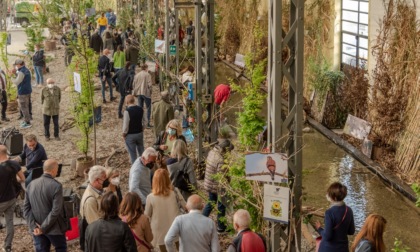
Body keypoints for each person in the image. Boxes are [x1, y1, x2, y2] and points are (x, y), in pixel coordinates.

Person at [23, 159, 67, 252]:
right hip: (54, 228)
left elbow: (26, 209)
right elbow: (56, 210)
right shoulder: (56, 186)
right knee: (61, 248)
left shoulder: (31, 185)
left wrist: (34, 227)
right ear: (53, 170)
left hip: (37, 228)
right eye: (57, 169)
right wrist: (43, 228)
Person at [145, 169, 187, 252]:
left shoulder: (150, 197)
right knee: (179, 247)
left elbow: (147, 215)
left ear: (154, 181)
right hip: (175, 226)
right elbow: (185, 206)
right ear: (168, 179)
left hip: (159, 230)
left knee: (163, 248)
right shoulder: (175, 192)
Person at [203, 138, 234, 233]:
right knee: (221, 205)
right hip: (217, 186)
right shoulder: (221, 159)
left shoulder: (212, 152)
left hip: (209, 182)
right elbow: (222, 177)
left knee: (211, 202)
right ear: (225, 149)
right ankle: (220, 226)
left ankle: (200, 220)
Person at [315, 182, 355, 252]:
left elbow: (327, 237)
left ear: (334, 197)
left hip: (328, 249)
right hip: (343, 249)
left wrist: (319, 229)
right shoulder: (349, 210)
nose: (327, 196)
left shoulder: (329, 213)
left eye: (329, 194)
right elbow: (351, 231)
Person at [0, 145, 25, 252]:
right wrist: (13, 180)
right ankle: (7, 246)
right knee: (9, 222)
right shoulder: (14, 164)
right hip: (11, 198)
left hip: (1, 201)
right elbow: (22, 178)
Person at [9, 58, 32, 128]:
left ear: (19, 64)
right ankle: (26, 119)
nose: (15, 66)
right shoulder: (26, 70)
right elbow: (21, 77)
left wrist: (11, 76)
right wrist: (15, 73)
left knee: (24, 107)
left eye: (16, 65)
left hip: (22, 92)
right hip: (28, 91)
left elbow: (16, 82)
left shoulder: (21, 72)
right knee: (26, 106)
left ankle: (27, 122)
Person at [123, 95, 145, 164]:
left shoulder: (127, 111)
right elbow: (145, 121)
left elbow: (126, 125)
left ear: (127, 102)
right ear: (134, 100)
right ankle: (143, 165)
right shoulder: (141, 109)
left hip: (130, 135)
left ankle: (135, 169)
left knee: (133, 155)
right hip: (139, 133)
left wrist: (124, 133)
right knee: (141, 152)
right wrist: (142, 128)